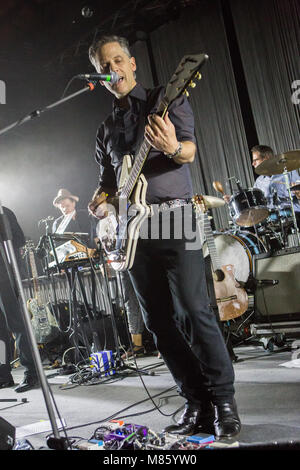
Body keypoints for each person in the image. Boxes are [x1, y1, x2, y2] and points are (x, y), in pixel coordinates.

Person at [87, 35, 240, 439]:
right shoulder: (105, 130)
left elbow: (188, 151)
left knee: (194, 309)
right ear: (100, 76)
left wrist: (172, 145)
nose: (113, 68)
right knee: (158, 322)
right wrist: (102, 205)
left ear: (132, 64)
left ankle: (224, 400)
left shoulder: (164, 100)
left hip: (176, 217)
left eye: (118, 60)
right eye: (105, 65)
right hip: (132, 231)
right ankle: (196, 401)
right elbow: (107, 186)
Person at [0, 206, 38, 393]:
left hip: (6, 276)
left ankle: (32, 371)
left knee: (18, 325)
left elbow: (19, 241)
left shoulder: (3, 212)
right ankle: (3, 375)